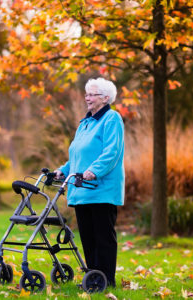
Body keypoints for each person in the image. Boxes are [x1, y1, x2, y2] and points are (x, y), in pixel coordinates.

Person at [54, 77, 125, 288]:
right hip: (81, 189)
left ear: (105, 98)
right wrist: (62, 171)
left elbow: (112, 152)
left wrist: (94, 170)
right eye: (86, 94)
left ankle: (106, 280)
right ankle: (94, 279)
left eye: (92, 94)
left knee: (103, 237)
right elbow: (77, 157)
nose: (87, 98)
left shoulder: (112, 119)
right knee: (88, 238)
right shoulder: (85, 124)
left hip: (101, 189)